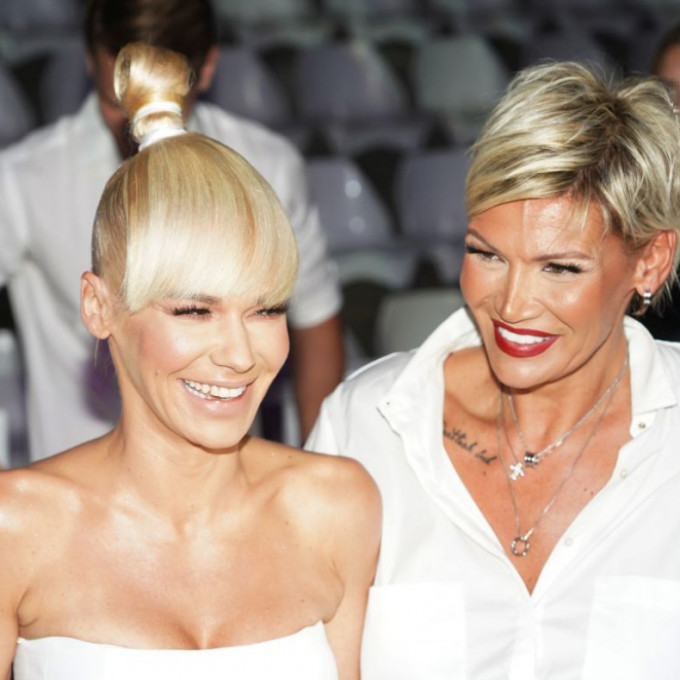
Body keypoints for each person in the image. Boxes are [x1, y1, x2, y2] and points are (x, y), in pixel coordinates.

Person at [0, 42, 380, 679]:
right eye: (195, 311)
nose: (240, 354)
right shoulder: (17, 527)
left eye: (266, 309)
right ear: (99, 308)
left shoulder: (337, 505)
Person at [307, 61, 680, 679]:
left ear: (650, 262)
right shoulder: (367, 426)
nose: (511, 305)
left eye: (559, 268)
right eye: (487, 255)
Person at [0, 0, 344, 462]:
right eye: (117, 101)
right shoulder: (24, 179)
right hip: (72, 482)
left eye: (264, 309)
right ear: (90, 60)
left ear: (207, 69)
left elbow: (317, 320)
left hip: (234, 476)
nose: (135, 126)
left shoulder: (269, 165)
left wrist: (315, 461)